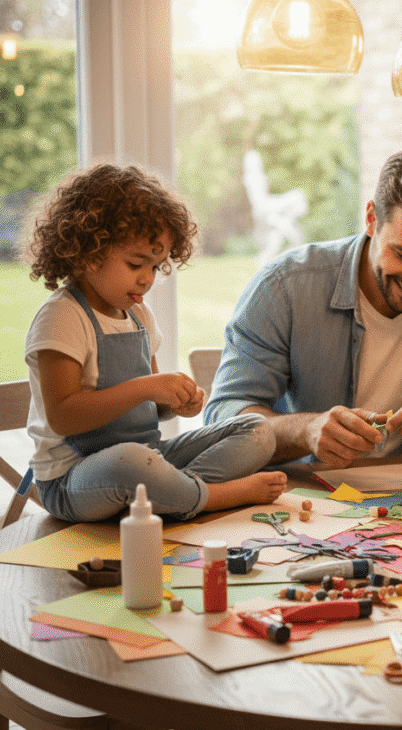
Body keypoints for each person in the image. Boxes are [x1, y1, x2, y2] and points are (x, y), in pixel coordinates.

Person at [205, 146, 402, 467]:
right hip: (308, 503)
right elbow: (223, 420)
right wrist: (306, 431)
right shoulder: (283, 287)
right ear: (372, 219)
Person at [22, 164, 287, 523]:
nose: (147, 279)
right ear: (87, 252)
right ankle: (211, 496)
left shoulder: (138, 315)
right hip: (73, 481)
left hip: (148, 458)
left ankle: (174, 496)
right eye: (136, 264)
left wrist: (174, 401)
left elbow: (150, 406)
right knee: (130, 461)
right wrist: (146, 387)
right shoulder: (63, 318)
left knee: (258, 430)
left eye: (156, 266)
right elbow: (64, 416)